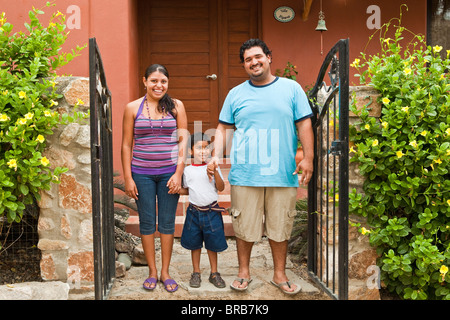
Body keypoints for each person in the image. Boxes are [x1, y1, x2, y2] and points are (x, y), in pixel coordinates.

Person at [207, 39, 314, 295]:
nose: (254, 62)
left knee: (280, 226)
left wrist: (308, 158)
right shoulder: (236, 94)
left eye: (258, 57)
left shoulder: (292, 89)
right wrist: (214, 154)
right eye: (248, 60)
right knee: (244, 227)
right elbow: (223, 127)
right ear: (244, 65)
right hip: (246, 173)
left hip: (282, 171)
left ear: (268, 57)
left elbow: (304, 125)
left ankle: (279, 274)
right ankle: (244, 272)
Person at [121, 64, 188, 292]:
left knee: (167, 223)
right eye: (154, 81)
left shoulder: (177, 106)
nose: (159, 85)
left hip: (170, 174)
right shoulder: (132, 108)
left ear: (168, 83)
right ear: (145, 81)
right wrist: (128, 178)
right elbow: (126, 144)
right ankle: (152, 271)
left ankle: (165, 272)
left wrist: (179, 173)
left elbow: (183, 142)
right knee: (147, 223)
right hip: (142, 174)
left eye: (163, 82)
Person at [179, 133, 228, 289]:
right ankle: (196, 272)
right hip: (194, 212)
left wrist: (214, 172)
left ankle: (214, 273)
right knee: (195, 244)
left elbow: (220, 188)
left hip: (212, 212)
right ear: (191, 151)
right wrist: (176, 189)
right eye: (199, 148)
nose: (203, 151)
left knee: (212, 245)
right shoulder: (187, 171)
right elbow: (189, 190)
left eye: (207, 147)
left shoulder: (213, 167)